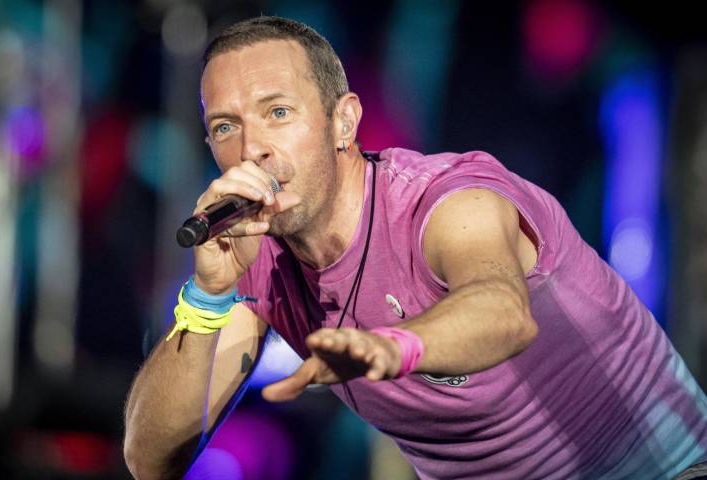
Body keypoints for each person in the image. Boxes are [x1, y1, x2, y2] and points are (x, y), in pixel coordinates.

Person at [123, 16, 707, 480]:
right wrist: (208, 296)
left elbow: (503, 313)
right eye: (226, 126)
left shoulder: (448, 200)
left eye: (278, 113)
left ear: (342, 122)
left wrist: (390, 346)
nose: (253, 147)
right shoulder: (258, 261)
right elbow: (151, 461)